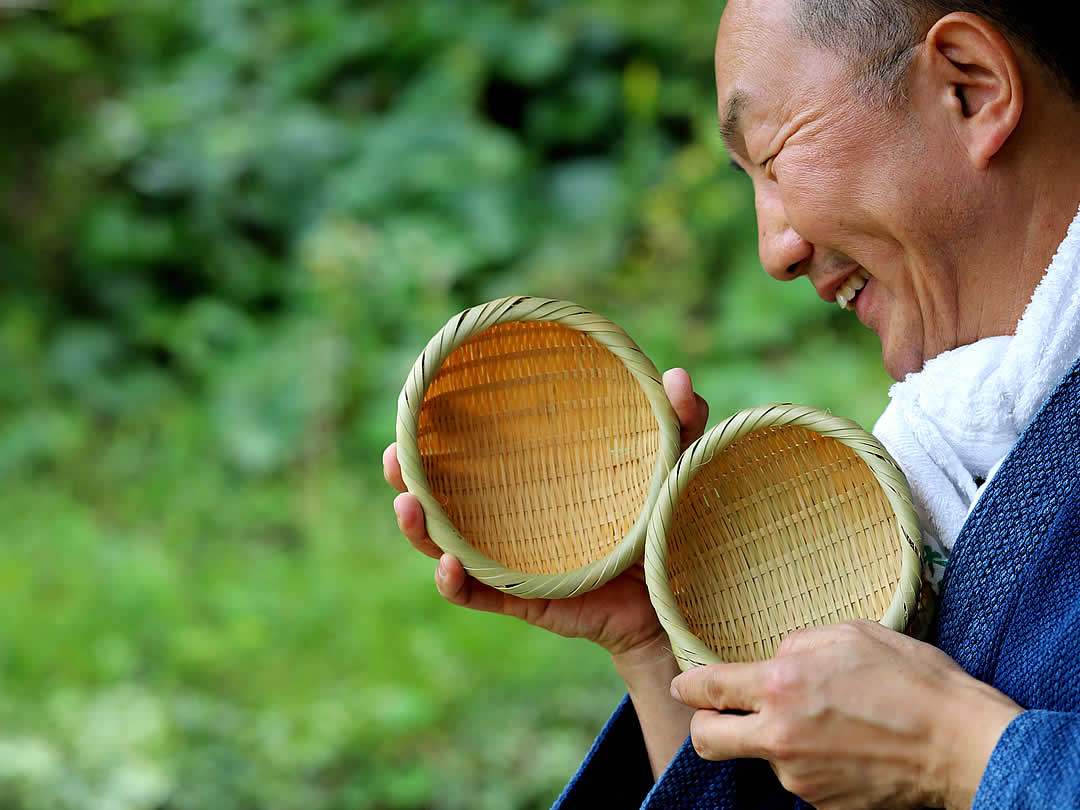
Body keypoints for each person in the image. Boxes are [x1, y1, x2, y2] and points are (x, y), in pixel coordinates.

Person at [383, 0, 1080, 806]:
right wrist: (660, 646)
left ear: (972, 88)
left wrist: (957, 752)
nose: (774, 250)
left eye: (776, 160)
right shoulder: (956, 457)